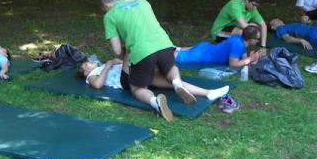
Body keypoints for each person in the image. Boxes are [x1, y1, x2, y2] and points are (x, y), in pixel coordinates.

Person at [101, 0, 199, 122]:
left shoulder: (110, 16)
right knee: (170, 68)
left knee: (137, 89)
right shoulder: (143, 2)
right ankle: (177, 83)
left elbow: (117, 50)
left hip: (142, 52)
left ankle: (154, 101)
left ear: (107, 7)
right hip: (165, 44)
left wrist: (126, 43)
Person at [77, 57, 230, 102]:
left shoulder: (101, 66)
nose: (89, 62)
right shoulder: (91, 76)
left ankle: (207, 92)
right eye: (85, 65)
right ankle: (207, 92)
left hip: (133, 72)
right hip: (130, 78)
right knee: (169, 79)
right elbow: (97, 85)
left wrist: (116, 62)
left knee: (169, 79)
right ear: (85, 72)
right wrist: (107, 66)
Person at [175, 25, 263, 66]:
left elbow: (243, 60)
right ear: (251, 40)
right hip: (201, 55)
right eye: (258, 38)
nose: (259, 40)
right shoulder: (238, 44)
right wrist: (250, 59)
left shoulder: (241, 39)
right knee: (172, 56)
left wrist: (251, 58)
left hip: (205, 47)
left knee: (175, 50)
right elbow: (233, 64)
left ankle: (173, 48)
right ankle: (168, 50)